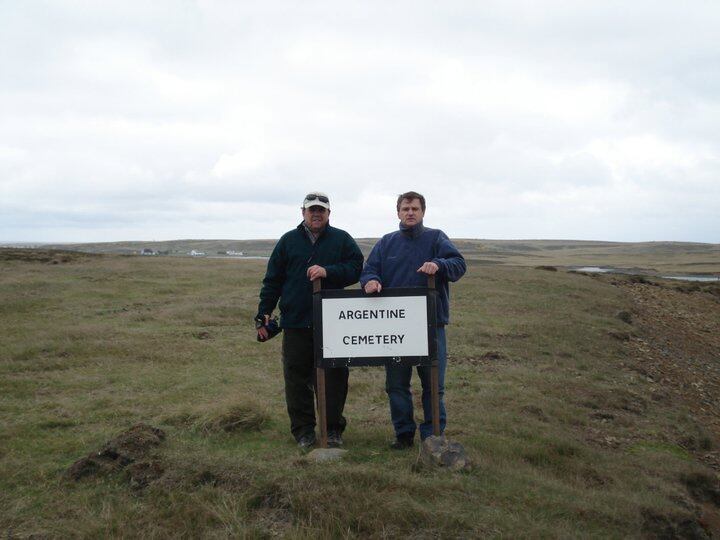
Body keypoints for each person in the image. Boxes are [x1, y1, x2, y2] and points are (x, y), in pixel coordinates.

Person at [256, 192, 364, 449]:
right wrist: (264, 312)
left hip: (333, 323)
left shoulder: (342, 239)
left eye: (321, 210)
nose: (316, 214)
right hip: (295, 322)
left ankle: (333, 429)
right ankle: (303, 431)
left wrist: (329, 272)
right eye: (312, 210)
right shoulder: (288, 241)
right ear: (302, 212)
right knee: (297, 379)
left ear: (329, 213)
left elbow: (357, 268)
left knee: (335, 378)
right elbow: (273, 280)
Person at [360, 191, 466, 449]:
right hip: (395, 329)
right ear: (398, 212)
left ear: (422, 212)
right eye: (405, 208)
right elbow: (370, 270)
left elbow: (458, 264)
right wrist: (370, 281)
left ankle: (433, 435)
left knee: (433, 385)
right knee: (396, 385)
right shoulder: (386, 243)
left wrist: (439, 264)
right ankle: (404, 435)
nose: (410, 212)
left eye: (415, 209)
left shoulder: (436, 238)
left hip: (432, 326)